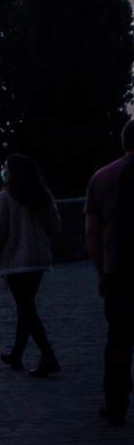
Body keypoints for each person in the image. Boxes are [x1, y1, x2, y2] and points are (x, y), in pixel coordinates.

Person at [0, 154, 61, 376]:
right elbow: (55, 226)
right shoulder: (43, 196)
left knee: (26, 308)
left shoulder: (4, 198)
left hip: (16, 262)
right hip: (38, 260)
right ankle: (17, 353)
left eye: (6, 168)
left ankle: (48, 356)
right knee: (26, 308)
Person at [85, 120, 134, 426]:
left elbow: (91, 230)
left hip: (120, 270)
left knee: (119, 339)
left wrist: (100, 273)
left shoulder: (101, 178)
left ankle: (115, 403)